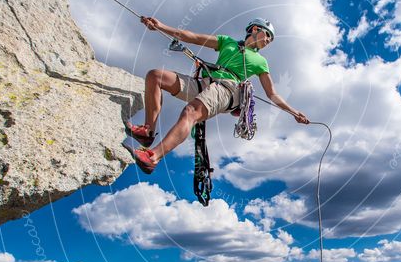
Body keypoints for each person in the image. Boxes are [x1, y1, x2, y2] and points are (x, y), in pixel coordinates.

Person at [126, 16, 309, 174]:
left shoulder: (261, 61)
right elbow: (194, 37)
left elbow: (272, 94)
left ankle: (153, 157)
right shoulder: (227, 41)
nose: (269, 40)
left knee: (190, 112)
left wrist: (294, 112)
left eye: (271, 39)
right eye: (267, 34)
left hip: (227, 89)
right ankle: (147, 132)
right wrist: (160, 26)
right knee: (155, 76)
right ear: (254, 29)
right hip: (205, 82)